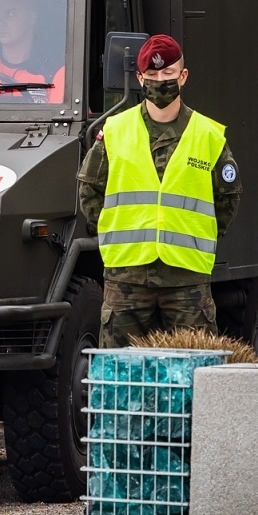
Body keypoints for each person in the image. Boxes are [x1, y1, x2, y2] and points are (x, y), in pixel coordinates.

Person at [77, 34, 242, 348]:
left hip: (186, 279)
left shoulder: (207, 134)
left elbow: (227, 198)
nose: (160, 81)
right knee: (120, 378)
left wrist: (198, 232)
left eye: (168, 74)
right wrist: (114, 228)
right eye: (152, 76)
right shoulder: (114, 131)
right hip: (127, 278)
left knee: (194, 376)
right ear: (140, 78)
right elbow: (90, 190)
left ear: (183, 76)